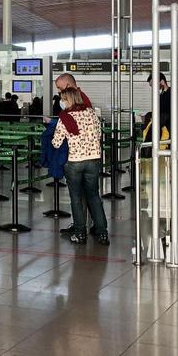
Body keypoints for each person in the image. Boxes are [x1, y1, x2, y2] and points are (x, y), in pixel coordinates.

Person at [53, 87, 108, 245]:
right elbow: (99, 134)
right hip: (93, 160)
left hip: (74, 161)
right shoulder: (91, 113)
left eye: (63, 99)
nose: (62, 102)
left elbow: (56, 143)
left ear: (68, 100)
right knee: (94, 197)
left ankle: (80, 233)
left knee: (76, 199)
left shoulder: (65, 117)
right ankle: (102, 233)